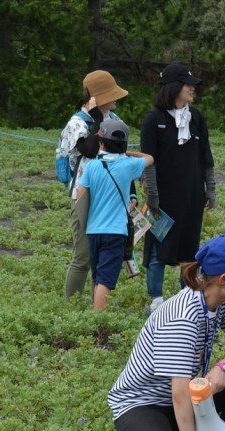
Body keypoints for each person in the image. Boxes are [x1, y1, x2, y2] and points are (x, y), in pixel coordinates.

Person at [107, 235, 225, 431]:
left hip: (188, 395)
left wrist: (221, 368)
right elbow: (179, 393)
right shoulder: (183, 317)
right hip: (144, 402)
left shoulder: (223, 299)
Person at [140, 61, 216, 312]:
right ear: (174, 87)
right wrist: (152, 195)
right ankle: (156, 300)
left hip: (192, 195)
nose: (193, 90)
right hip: (161, 197)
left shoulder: (196, 117)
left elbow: (206, 155)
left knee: (189, 247)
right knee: (158, 248)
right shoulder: (154, 120)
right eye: (188, 85)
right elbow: (147, 161)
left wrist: (210, 188)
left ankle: (185, 298)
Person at [56, 70, 129, 299]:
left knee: (103, 252)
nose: (116, 98)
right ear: (96, 97)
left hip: (110, 191)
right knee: (84, 255)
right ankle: (72, 306)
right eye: (111, 93)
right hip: (85, 192)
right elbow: (89, 149)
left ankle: (96, 305)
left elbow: (122, 154)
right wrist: (96, 117)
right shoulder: (77, 122)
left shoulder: (115, 121)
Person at [76, 119, 154, 310]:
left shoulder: (92, 166)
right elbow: (150, 158)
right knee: (106, 279)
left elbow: (80, 196)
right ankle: (97, 320)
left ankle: (95, 311)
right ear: (124, 144)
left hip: (93, 230)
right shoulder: (128, 165)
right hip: (115, 231)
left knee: (97, 275)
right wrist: (126, 153)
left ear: (101, 143)